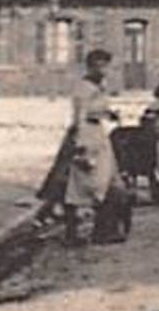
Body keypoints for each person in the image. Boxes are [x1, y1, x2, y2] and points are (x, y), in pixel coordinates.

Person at [35, 49, 120, 244]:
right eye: (99, 66)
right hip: (85, 136)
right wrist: (80, 145)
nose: (103, 70)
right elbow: (80, 116)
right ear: (90, 66)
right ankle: (72, 232)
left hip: (99, 135)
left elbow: (100, 109)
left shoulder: (102, 86)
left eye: (106, 66)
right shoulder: (82, 88)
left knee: (102, 181)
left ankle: (102, 229)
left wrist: (109, 114)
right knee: (77, 184)